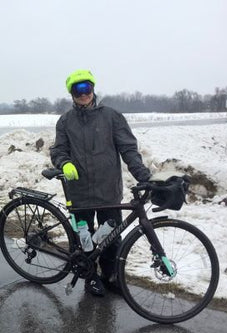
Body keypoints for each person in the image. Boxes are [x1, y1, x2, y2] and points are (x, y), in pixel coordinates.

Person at [50, 69, 151, 296]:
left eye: (86, 88)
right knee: (84, 239)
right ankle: (90, 277)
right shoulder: (65, 122)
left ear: (93, 89)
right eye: (78, 90)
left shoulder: (112, 117)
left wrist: (144, 176)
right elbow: (58, 149)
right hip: (79, 193)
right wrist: (64, 162)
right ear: (72, 94)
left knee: (111, 238)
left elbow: (128, 150)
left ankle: (110, 275)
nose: (83, 94)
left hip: (108, 192)